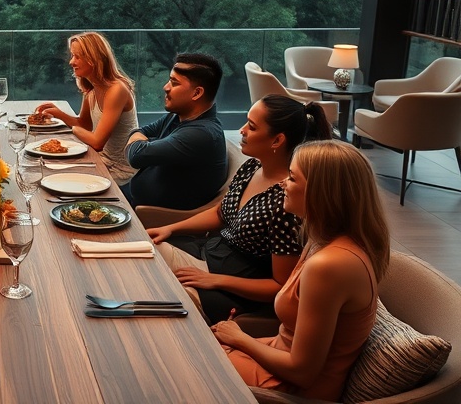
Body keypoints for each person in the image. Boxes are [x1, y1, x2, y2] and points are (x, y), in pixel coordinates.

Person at [212, 140, 390, 401]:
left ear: (321, 193)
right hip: (275, 367)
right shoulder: (320, 239)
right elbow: (288, 341)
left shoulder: (330, 265)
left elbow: (302, 372)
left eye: (292, 178)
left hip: (290, 391)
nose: (282, 183)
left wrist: (240, 340)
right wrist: (233, 341)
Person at [147, 95, 333, 323]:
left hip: (235, 288)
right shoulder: (252, 166)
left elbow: (280, 285)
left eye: (252, 127)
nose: (242, 130)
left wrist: (215, 280)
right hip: (211, 255)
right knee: (147, 255)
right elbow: (220, 213)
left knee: (163, 296)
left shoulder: (289, 200)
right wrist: (170, 228)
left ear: (277, 140)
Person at [123, 52, 227, 209]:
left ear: (197, 93)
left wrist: (144, 143)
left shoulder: (201, 134)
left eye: (174, 83)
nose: (166, 87)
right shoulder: (178, 116)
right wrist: (142, 142)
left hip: (150, 218)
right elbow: (139, 131)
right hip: (130, 199)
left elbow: (136, 156)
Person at [35, 32, 139, 185]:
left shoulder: (117, 90)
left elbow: (97, 142)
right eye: (72, 55)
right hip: (100, 161)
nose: (71, 62)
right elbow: (84, 124)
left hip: (120, 171)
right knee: (44, 168)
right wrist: (59, 114)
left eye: (77, 57)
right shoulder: (92, 87)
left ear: (94, 59)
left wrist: (74, 131)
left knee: (52, 177)